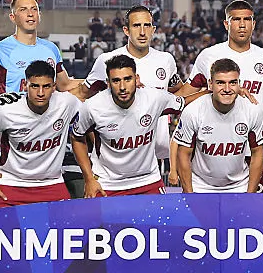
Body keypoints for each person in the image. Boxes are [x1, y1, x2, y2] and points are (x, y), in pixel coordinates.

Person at [78, 5, 195, 160]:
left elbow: (177, 92)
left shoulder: (166, 60)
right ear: (126, 30)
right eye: (136, 25)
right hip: (117, 155)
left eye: (146, 25)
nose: (142, 32)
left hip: (156, 153)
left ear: (153, 30)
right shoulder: (106, 60)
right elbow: (82, 95)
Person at [188, 0, 263, 192]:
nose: (241, 24)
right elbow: (186, 93)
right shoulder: (208, 56)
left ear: (253, 24)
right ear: (226, 24)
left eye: (247, 19)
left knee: (256, 210)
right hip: (219, 143)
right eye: (235, 19)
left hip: (257, 145)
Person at [71, 54, 189, 197]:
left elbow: (185, 102)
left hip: (148, 181)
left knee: (161, 219)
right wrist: (89, 179)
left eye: (127, 79)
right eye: (116, 81)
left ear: (136, 79)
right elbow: (76, 137)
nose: (122, 87)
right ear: (108, 83)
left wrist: (211, 93)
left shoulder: (154, 98)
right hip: (108, 183)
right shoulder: (92, 107)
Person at [0, 61, 82, 208]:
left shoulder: (67, 103)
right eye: (34, 86)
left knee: (66, 229)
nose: (40, 93)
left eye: (46, 86)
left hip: (51, 184)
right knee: (0, 229)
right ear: (25, 85)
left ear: (54, 87)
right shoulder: (6, 111)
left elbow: (88, 125)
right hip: (10, 183)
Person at [173, 58, 263, 193]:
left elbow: (257, 153)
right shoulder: (193, 111)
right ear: (210, 84)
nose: (227, 89)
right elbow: (183, 155)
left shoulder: (253, 110)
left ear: (239, 84)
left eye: (233, 83)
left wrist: (250, 194)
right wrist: (190, 194)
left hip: (239, 186)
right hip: (200, 187)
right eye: (221, 83)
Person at [0, 0, 80, 106]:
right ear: (13, 17)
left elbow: (65, 85)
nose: (30, 14)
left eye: (34, 9)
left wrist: (97, 80)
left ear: (39, 15)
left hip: (44, 120)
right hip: (12, 120)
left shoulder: (51, 48)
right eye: (23, 9)